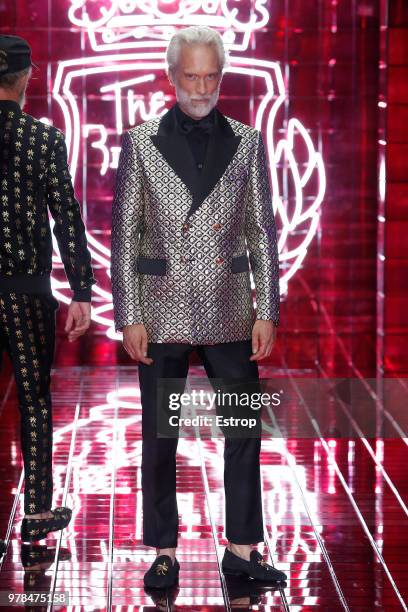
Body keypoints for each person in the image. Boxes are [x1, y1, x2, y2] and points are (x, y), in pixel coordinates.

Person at [111, 25, 287, 588]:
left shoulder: (247, 140)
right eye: (191, 76)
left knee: (242, 432)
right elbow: (125, 235)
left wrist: (269, 309)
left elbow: (263, 231)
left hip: (232, 308)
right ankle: (163, 549)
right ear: (171, 76)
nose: (202, 87)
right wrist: (128, 314)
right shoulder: (140, 143)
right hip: (160, 310)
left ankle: (241, 547)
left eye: (211, 75)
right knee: (162, 437)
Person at [0, 35, 95, 542]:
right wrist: (82, 289)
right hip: (26, 290)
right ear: (28, 77)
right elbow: (67, 219)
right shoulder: (42, 139)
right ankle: (36, 513)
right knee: (34, 401)